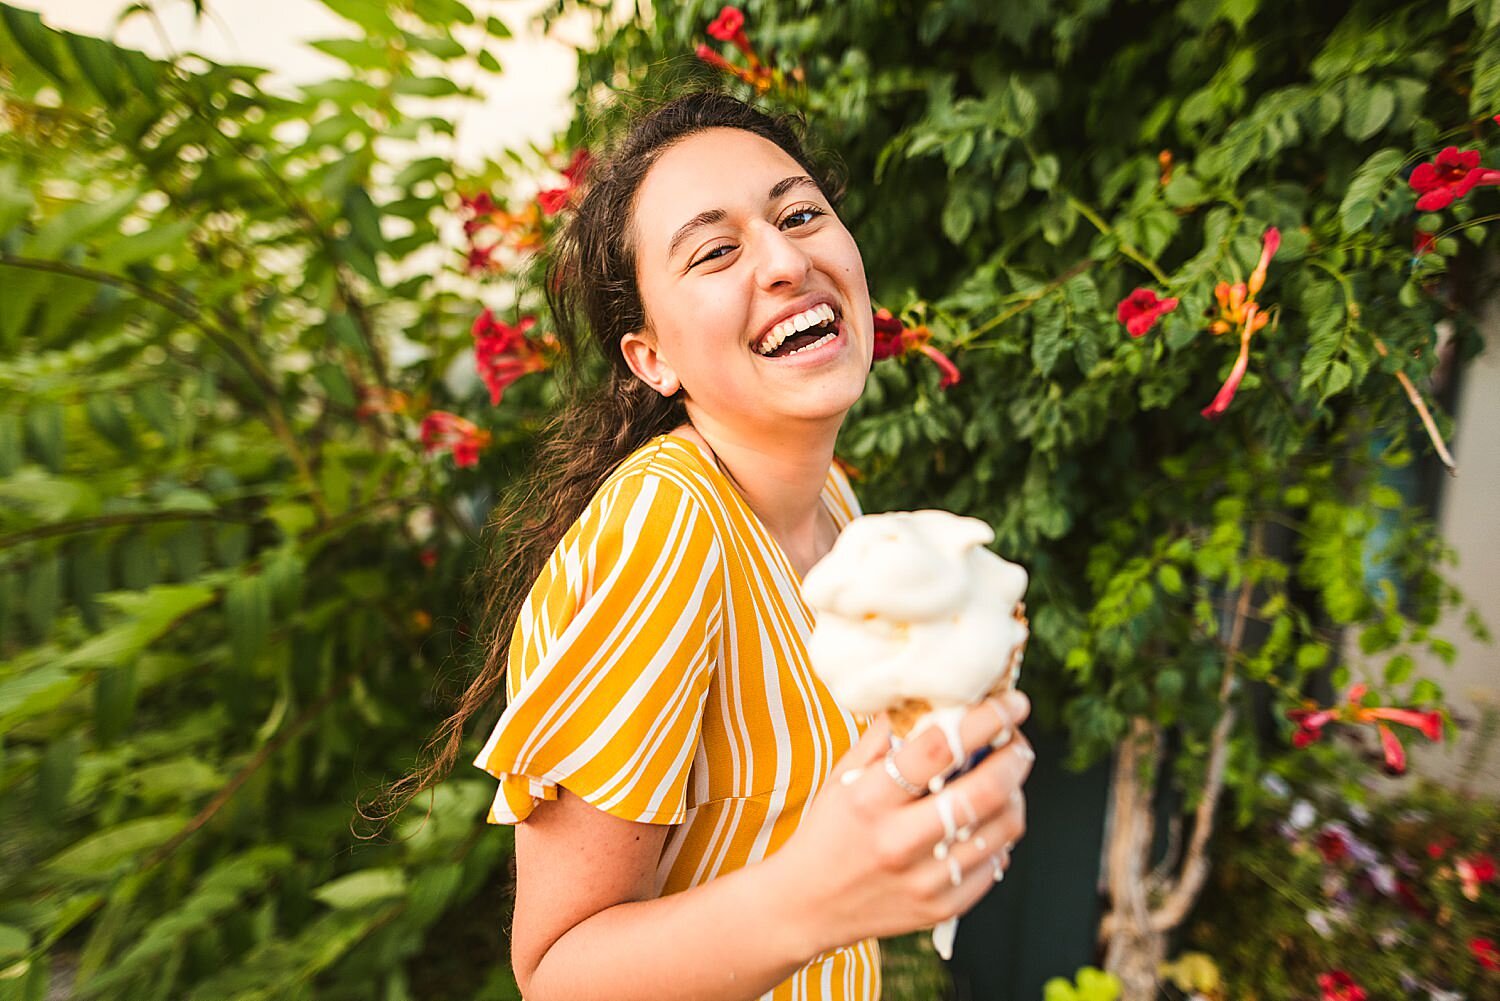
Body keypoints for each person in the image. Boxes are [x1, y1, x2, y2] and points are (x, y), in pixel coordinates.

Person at [408, 91, 1034, 1001]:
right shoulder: (668, 529)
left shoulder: (833, 502)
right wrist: (814, 898)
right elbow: (555, 975)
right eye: (715, 250)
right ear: (650, 357)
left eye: (800, 213)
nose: (785, 259)